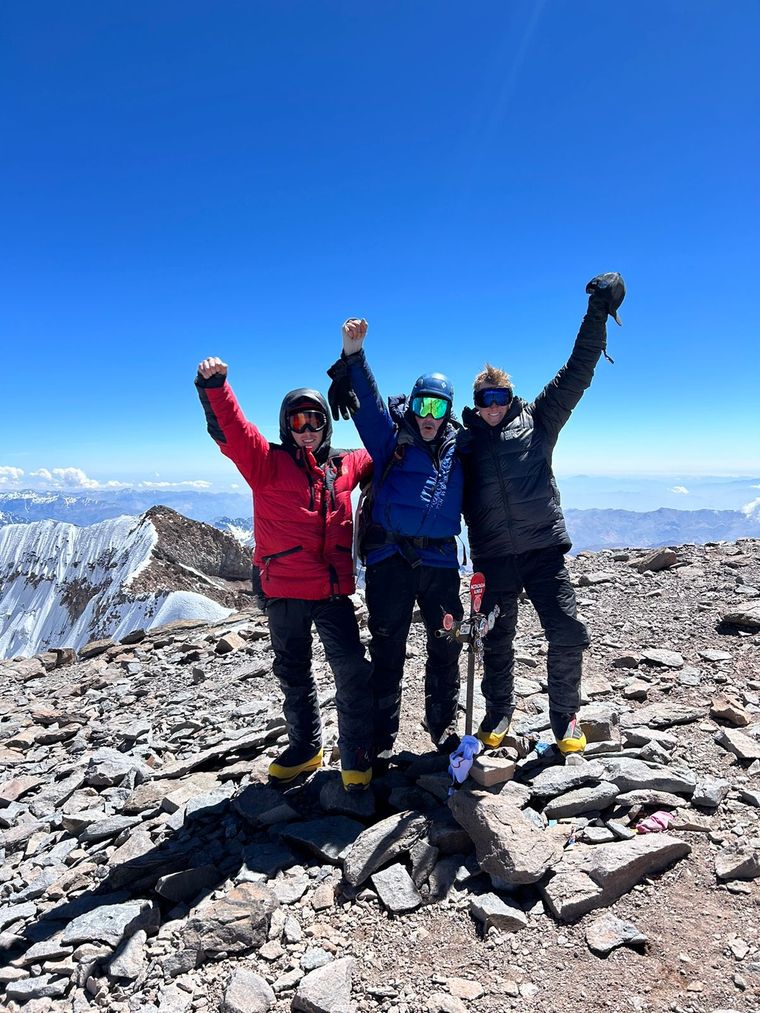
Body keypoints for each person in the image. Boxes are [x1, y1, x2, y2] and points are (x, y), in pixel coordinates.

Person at [460, 273, 626, 757]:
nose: (494, 407)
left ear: (511, 398)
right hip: (493, 557)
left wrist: (597, 312)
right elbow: (416, 436)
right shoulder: (463, 441)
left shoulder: (540, 420)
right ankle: (498, 710)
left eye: (501, 398)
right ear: (476, 404)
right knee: (495, 636)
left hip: (543, 550)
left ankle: (565, 716)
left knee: (568, 630)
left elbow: (577, 370)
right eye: (485, 400)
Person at [195, 357, 375, 790]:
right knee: (293, 671)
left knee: (349, 670)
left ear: (326, 426)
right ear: (286, 426)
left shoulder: (345, 465)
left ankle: (354, 751)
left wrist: (410, 422)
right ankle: (306, 746)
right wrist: (215, 386)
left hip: (331, 593)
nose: (308, 429)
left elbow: (384, 448)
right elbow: (232, 430)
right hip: (285, 591)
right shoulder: (264, 463)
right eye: (299, 421)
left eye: (316, 421)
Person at [329, 319, 464, 771]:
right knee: (388, 648)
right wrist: (354, 355)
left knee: (447, 643)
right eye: (423, 404)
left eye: (438, 407)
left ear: (449, 410)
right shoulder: (393, 439)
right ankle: (381, 736)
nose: (428, 415)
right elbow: (367, 406)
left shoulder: (459, 448)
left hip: (441, 560)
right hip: (391, 558)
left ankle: (442, 725)